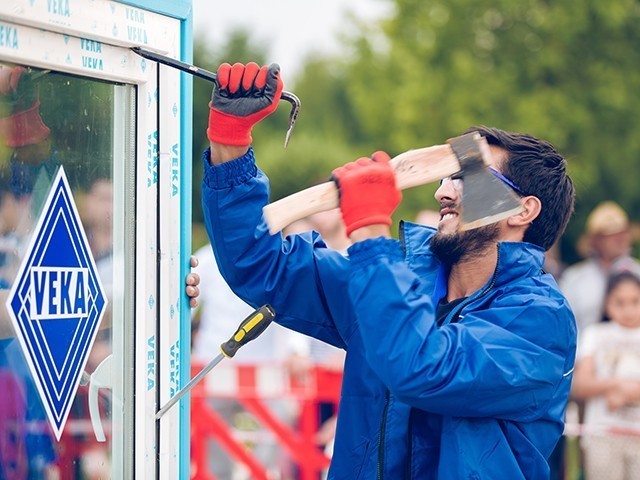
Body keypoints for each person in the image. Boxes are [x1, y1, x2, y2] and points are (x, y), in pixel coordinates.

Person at [196, 62, 577, 478]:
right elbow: (260, 264)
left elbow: (422, 366)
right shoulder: (399, 280)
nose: (443, 191)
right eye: (448, 175)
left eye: (469, 175)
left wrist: (373, 234)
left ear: (524, 209)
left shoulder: (542, 322)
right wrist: (230, 143)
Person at [570, 271, 640, 479]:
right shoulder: (596, 334)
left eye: (635, 301)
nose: (628, 310)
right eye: (620, 302)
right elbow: (581, 384)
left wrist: (627, 394)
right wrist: (617, 386)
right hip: (602, 434)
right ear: (607, 304)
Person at [560, 201, 640, 333]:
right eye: (611, 235)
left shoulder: (638, 273)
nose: (619, 239)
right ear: (595, 241)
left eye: (622, 233)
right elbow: (565, 326)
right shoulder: (573, 279)